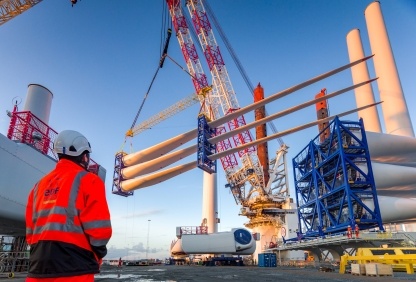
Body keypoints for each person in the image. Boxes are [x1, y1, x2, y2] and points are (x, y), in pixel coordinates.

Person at [25, 130, 112, 281]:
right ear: (84, 155)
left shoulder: (38, 186)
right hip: (75, 269)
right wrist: (99, 254)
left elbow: (30, 232)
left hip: (38, 269)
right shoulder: (89, 180)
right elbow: (99, 231)